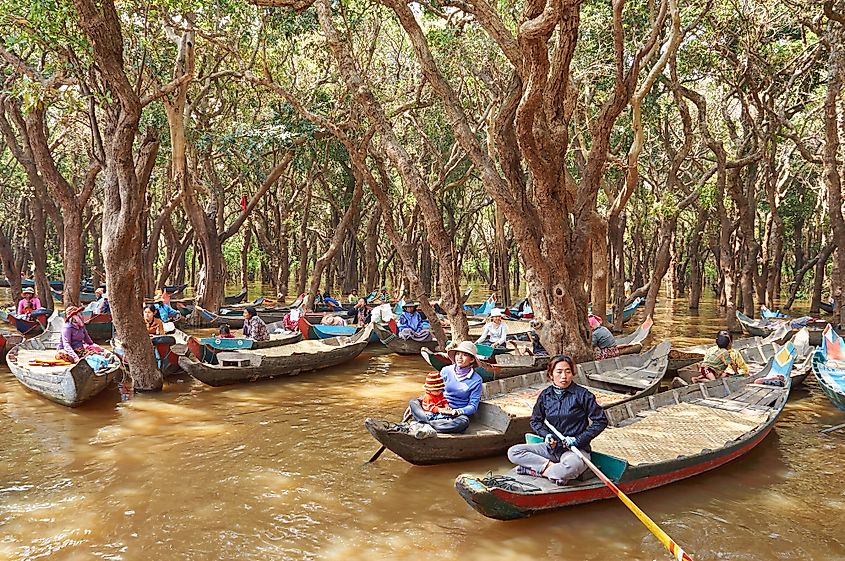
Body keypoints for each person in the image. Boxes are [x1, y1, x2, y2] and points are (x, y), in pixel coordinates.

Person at [507, 354, 608, 485]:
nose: (563, 377)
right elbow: (535, 421)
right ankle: (551, 471)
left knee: (572, 466)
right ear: (551, 374)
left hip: (574, 450)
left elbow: (601, 421)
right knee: (514, 452)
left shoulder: (583, 395)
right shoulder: (545, 395)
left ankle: (535, 470)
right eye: (559, 372)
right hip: (551, 449)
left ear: (572, 374)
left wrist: (577, 440)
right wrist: (546, 435)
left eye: (568, 372)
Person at [408, 341, 483, 433]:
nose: (459, 357)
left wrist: (457, 411)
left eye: (464, 355)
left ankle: (426, 423)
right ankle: (433, 424)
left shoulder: (476, 380)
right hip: (438, 407)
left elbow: (473, 406)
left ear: (471, 360)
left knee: (463, 422)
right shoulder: (446, 370)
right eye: (458, 354)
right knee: (413, 402)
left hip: (455, 414)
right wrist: (427, 402)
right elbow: (435, 390)